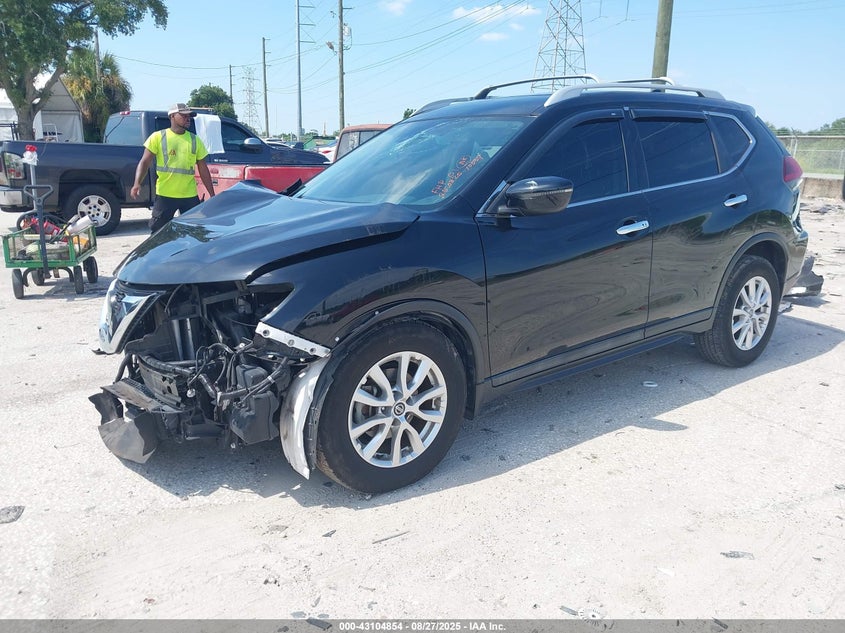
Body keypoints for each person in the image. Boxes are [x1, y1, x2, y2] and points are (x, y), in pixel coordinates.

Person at [130, 103, 215, 232]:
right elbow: (144, 162)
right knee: (158, 233)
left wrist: (212, 193)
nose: (188, 119)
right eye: (184, 116)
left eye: (189, 116)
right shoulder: (158, 137)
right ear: (172, 117)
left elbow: (203, 169)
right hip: (165, 195)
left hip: (189, 195)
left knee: (195, 232)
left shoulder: (195, 140)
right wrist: (137, 183)